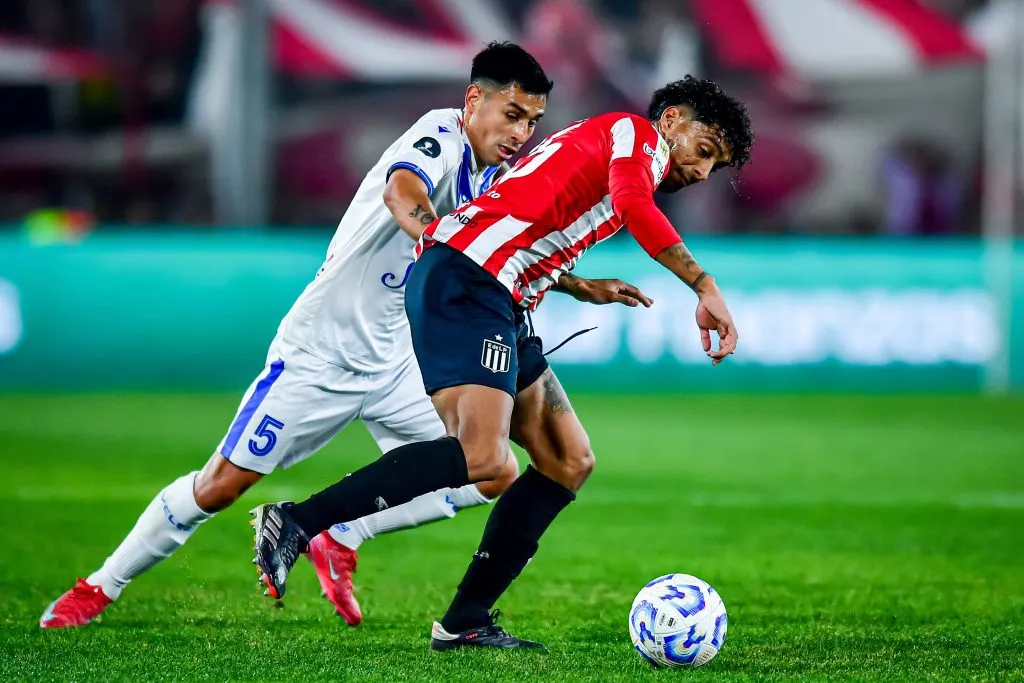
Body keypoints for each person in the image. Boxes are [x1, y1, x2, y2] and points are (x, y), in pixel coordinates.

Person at [39, 41, 646, 630]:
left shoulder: (498, 180)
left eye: (533, 122)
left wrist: (577, 284)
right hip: (321, 356)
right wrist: (431, 232)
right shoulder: (439, 134)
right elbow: (401, 190)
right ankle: (99, 585)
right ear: (473, 100)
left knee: (494, 471)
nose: (520, 133)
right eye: (511, 114)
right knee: (220, 487)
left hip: (397, 361)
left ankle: (342, 534)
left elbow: (504, 251)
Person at [250, 75, 753, 650]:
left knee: (568, 460)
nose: (701, 172)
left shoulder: (611, 148)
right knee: (482, 456)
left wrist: (576, 285)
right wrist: (703, 284)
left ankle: (464, 621)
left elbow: (520, 217)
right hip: (468, 281)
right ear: (670, 121)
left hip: (498, 291)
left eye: (717, 166)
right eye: (705, 151)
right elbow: (634, 205)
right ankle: (298, 522)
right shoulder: (634, 136)